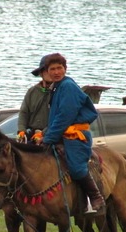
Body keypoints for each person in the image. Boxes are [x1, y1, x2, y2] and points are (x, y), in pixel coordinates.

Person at [41, 53, 104, 215]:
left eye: (59, 68)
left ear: (65, 69)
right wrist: (44, 134)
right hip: (62, 135)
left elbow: (65, 116)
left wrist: (49, 138)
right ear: (47, 71)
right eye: (52, 69)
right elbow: (55, 118)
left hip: (75, 137)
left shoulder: (67, 86)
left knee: (76, 168)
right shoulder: (56, 87)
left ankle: (96, 197)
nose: (56, 72)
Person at [17, 54, 53, 144]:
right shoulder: (32, 91)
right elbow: (23, 112)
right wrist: (21, 130)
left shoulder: (60, 92)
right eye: (46, 70)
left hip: (51, 136)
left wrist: (43, 133)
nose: (49, 73)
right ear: (41, 73)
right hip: (32, 135)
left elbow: (59, 118)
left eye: (51, 70)